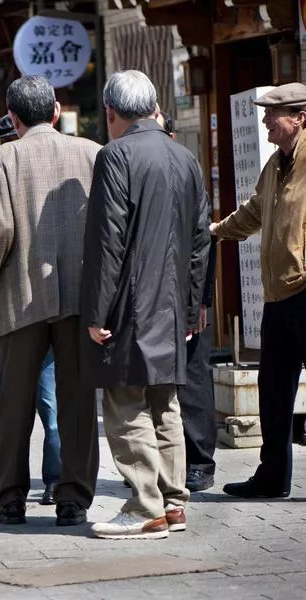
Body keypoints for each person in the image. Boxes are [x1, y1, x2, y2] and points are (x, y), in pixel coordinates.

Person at [0, 76, 101, 527]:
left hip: (21, 294)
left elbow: (0, 231)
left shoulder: (1, 159)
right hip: (81, 294)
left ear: (13, 117)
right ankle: (73, 499)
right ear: (56, 111)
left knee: (13, 403)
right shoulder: (92, 152)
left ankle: (9, 500)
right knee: (77, 400)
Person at [82, 70, 210, 540]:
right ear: (155, 106)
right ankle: (174, 502)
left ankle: (143, 507)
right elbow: (201, 241)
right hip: (172, 304)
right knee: (166, 402)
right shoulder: (184, 157)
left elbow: (107, 242)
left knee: (125, 402)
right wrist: (195, 304)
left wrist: (97, 313)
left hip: (130, 304)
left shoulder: (116, 156)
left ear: (111, 112)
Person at [211, 82, 306, 499]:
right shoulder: (275, 164)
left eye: (273, 113)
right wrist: (215, 232)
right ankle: (272, 477)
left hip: (304, 290)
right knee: (273, 391)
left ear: (300, 118)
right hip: (277, 295)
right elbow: (253, 211)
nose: (265, 119)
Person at [0, 114, 61, 507]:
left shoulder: (49, 178)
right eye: (1, 142)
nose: (9, 147)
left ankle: (55, 479)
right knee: (2, 403)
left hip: (45, 304)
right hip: (4, 310)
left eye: (13, 137)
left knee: (49, 402)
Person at [156, 110, 219, 493]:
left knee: (193, 376)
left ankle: (201, 461)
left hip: (188, 290)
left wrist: (201, 300)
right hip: (150, 293)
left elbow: (204, 242)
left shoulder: (189, 174)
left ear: (172, 138)